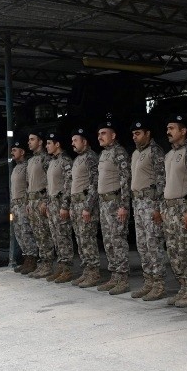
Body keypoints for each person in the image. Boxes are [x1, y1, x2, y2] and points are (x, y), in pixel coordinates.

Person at [163, 113, 187, 307]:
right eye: (168, 128)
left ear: (183, 131)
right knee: (174, 251)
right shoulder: (169, 154)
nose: (168, 132)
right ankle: (183, 287)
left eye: (172, 128)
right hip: (170, 210)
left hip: (183, 208)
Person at [129, 118, 168, 301]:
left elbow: (161, 181)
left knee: (153, 246)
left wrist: (159, 207)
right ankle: (149, 282)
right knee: (142, 246)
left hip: (151, 203)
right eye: (133, 134)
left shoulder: (155, 152)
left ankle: (159, 284)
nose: (135, 137)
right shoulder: (136, 154)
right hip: (138, 203)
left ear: (147, 134)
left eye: (138, 133)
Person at [96, 120, 132, 296]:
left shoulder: (119, 153)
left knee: (118, 241)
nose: (100, 137)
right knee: (108, 242)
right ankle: (114, 276)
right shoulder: (103, 154)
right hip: (104, 204)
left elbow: (125, 181)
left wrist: (124, 206)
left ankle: (123, 279)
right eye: (99, 134)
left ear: (113, 135)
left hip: (115, 203)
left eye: (103, 133)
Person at [69, 126, 103, 288]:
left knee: (88, 239)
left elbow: (94, 184)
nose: (73, 144)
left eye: (75, 141)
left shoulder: (90, 158)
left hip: (85, 204)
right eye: (72, 141)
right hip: (76, 204)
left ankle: (94, 273)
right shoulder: (78, 159)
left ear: (84, 141)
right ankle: (86, 271)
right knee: (80, 240)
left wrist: (88, 207)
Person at [42, 132, 75, 283]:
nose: (47, 146)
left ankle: (67, 269)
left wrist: (65, 205)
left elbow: (69, 185)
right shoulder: (51, 162)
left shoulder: (66, 161)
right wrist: (48, 203)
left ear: (57, 144)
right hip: (52, 203)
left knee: (63, 237)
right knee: (56, 237)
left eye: (49, 143)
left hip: (61, 203)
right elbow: (49, 186)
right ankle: (61, 267)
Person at [25, 131, 55, 278]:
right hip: (32, 201)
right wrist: (27, 202)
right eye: (29, 140)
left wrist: (45, 201)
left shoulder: (46, 159)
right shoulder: (30, 161)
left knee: (44, 234)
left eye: (32, 139)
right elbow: (27, 183)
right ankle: (42, 263)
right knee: (37, 234)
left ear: (40, 142)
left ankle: (48, 264)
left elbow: (51, 182)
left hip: (41, 200)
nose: (29, 142)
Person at [9, 139, 38, 274]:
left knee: (26, 232)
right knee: (19, 233)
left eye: (15, 150)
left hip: (23, 204)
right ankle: (26, 257)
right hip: (15, 205)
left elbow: (29, 186)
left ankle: (32, 259)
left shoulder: (27, 166)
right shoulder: (16, 167)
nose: (12, 153)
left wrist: (27, 203)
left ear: (22, 152)